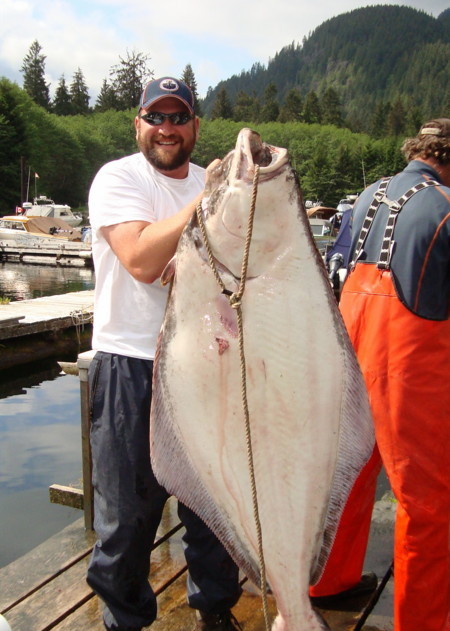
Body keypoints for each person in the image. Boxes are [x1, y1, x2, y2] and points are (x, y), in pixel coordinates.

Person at [86, 77, 242, 631]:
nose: (168, 129)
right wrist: (213, 199)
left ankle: (216, 610)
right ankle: (124, 621)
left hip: (205, 367)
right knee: (127, 517)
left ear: (196, 126)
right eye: (157, 116)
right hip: (132, 366)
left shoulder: (216, 183)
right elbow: (142, 260)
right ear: (138, 124)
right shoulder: (119, 179)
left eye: (179, 118)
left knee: (212, 506)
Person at [336, 118, 450, 631]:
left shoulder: (365, 196)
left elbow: (336, 265)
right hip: (410, 370)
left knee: (347, 476)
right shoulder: (445, 207)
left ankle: (326, 582)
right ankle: (423, 621)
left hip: (349, 355)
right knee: (426, 503)